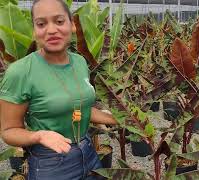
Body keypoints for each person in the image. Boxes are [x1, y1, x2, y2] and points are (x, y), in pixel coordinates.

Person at [0, 0, 117, 179]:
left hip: (89, 154)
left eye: (59, 21)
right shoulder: (20, 72)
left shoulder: (79, 62)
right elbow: (9, 131)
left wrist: (120, 119)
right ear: (34, 31)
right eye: (41, 24)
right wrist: (38, 136)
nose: (51, 29)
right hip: (51, 163)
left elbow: (80, 108)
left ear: (72, 25)